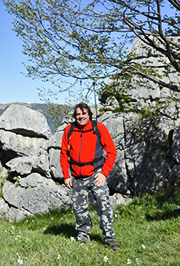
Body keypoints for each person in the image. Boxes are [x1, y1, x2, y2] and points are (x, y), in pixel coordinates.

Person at [59, 102, 119, 249]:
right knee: (80, 208)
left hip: (96, 174)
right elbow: (63, 154)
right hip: (77, 176)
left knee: (103, 205)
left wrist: (104, 173)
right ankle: (83, 236)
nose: (81, 117)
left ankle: (109, 237)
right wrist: (66, 175)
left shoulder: (98, 128)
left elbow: (112, 152)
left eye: (84, 114)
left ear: (89, 115)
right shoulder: (69, 130)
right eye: (78, 114)